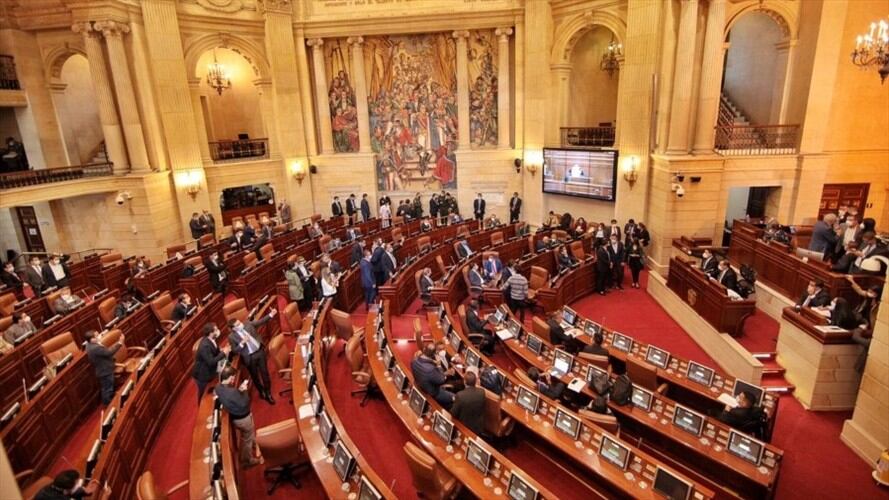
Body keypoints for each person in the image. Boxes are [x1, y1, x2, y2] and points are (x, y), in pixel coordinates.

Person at [228, 308, 278, 404]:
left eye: (239, 322)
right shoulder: (232, 337)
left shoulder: (247, 324)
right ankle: (261, 391)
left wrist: (271, 314)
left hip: (259, 352)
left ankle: (268, 392)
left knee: (265, 373)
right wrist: (242, 343)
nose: (240, 324)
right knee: (255, 376)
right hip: (249, 357)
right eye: (237, 325)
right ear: (234, 328)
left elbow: (260, 322)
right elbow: (234, 350)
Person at [215, 366, 262, 467]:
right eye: (233, 377)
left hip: (235, 416)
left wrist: (239, 392)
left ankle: (255, 444)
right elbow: (245, 402)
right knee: (247, 438)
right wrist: (244, 391)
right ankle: (247, 460)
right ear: (230, 377)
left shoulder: (218, 387)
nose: (234, 379)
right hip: (243, 419)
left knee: (248, 436)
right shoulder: (232, 392)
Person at [193, 323, 229, 404]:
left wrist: (221, 351)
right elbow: (211, 362)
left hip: (209, 369)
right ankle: (200, 409)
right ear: (210, 333)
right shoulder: (205, 346)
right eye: (216, 330)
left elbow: (215, 351)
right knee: (202, 395)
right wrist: (223, 353)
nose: (218, 331)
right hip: (202, 374)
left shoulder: (211, 339)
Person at [85, 330, 123, 405]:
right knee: (107, 389)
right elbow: (109, 353)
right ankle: (109, 404)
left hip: (103, 370)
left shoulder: (89, 345)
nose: (99, 336)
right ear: (92, 339)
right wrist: (120, 343)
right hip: (105, 371)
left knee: (108, 387)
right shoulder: (95, 348)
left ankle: (111, 401)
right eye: (96, 336)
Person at [411, 343, 455, 409]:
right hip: (434, 393)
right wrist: (439, 365)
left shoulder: (414, 361)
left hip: (422, 386)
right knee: (456, 398)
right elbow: (442, 379)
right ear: (434, 354)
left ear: (424, 349)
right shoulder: (431, 369)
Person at [450, 371, 486, 436]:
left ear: (464, 382)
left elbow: (453, 413)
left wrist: (455, 401)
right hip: (478, 427)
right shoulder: (482, 392)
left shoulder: (460, 395)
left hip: (464, 427)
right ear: (475, 381)